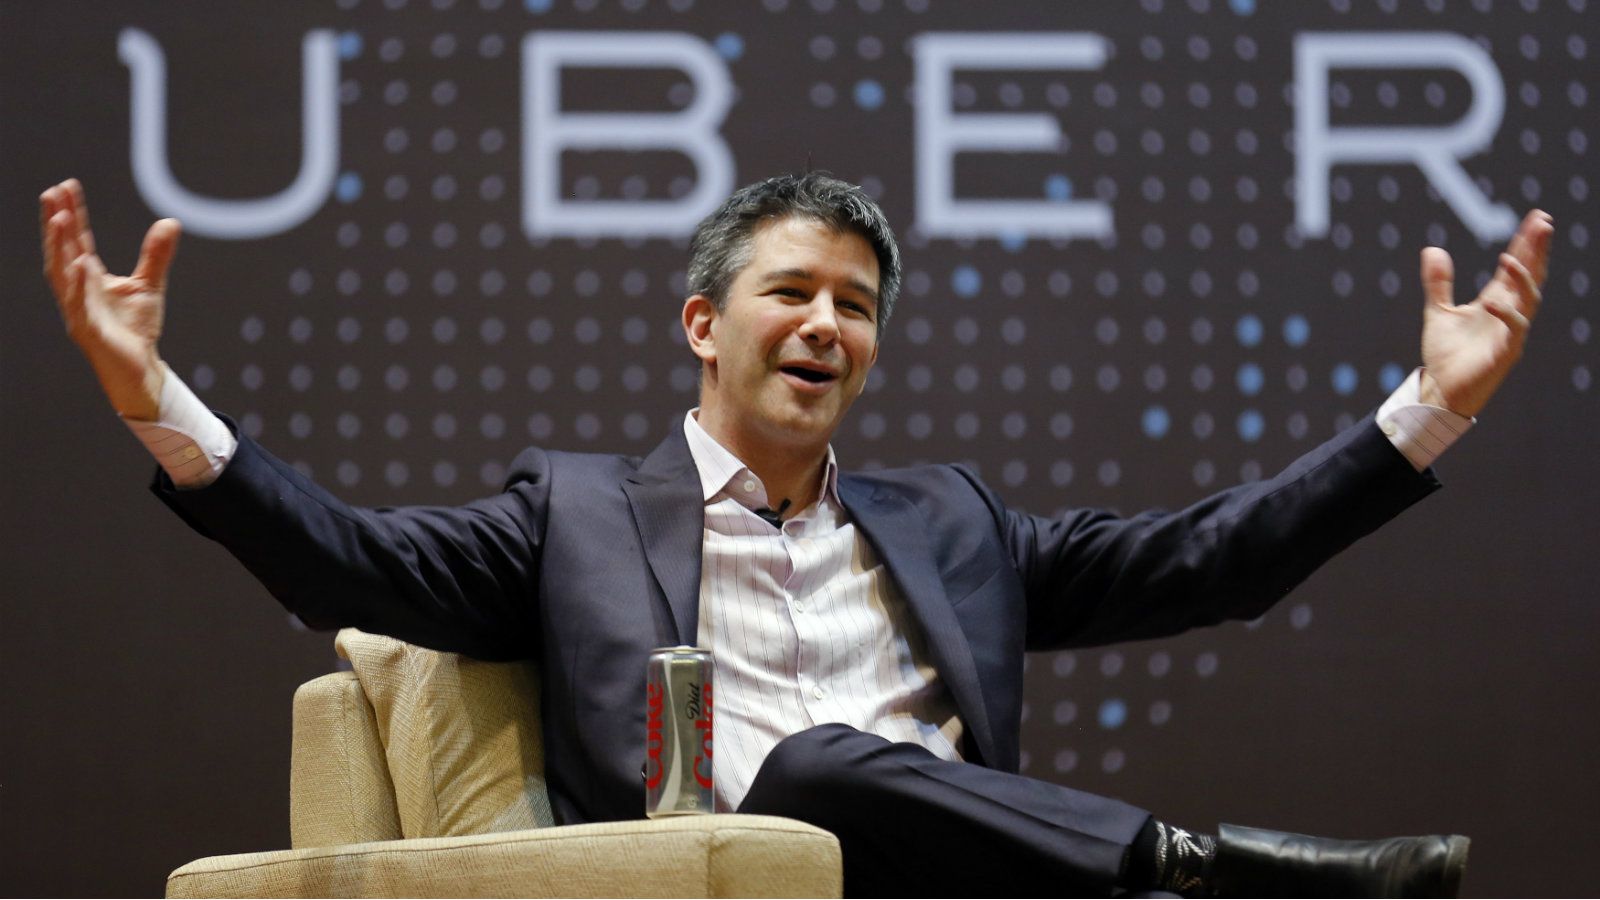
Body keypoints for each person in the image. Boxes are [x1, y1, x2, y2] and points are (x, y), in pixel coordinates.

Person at [39, 173, 1552, 897]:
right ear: (705, 324)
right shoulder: (573, 516)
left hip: (968, 879)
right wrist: (155, 399)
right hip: (741, 879)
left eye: (858, 307)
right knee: (816, 767)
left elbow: (1213, 559)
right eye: (793, 293)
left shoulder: (950, 522)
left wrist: (1424, 413)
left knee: (849, 765)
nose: (828, 324)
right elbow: (349, 564)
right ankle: (1196, 870)